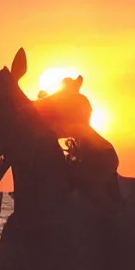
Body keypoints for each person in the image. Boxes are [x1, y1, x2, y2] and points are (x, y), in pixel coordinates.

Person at [35, 75, 121, 207]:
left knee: (82, 182)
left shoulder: (79, 105)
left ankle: (109, 211)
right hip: (92, 153)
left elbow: (63, 125)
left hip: (100, 155)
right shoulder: (75, 108)